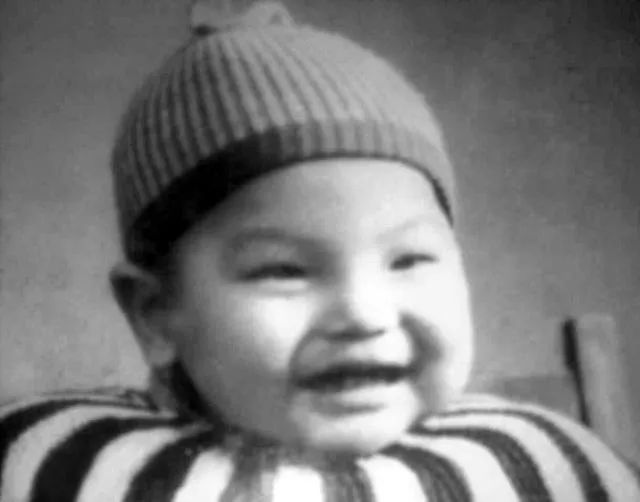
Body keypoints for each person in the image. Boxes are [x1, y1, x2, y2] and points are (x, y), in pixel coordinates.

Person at [1, 2, 638, 501]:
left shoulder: (541, 461)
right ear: (155, 312)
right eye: (283, 269)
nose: (365, 313)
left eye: (409, 260)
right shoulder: (63, 465)